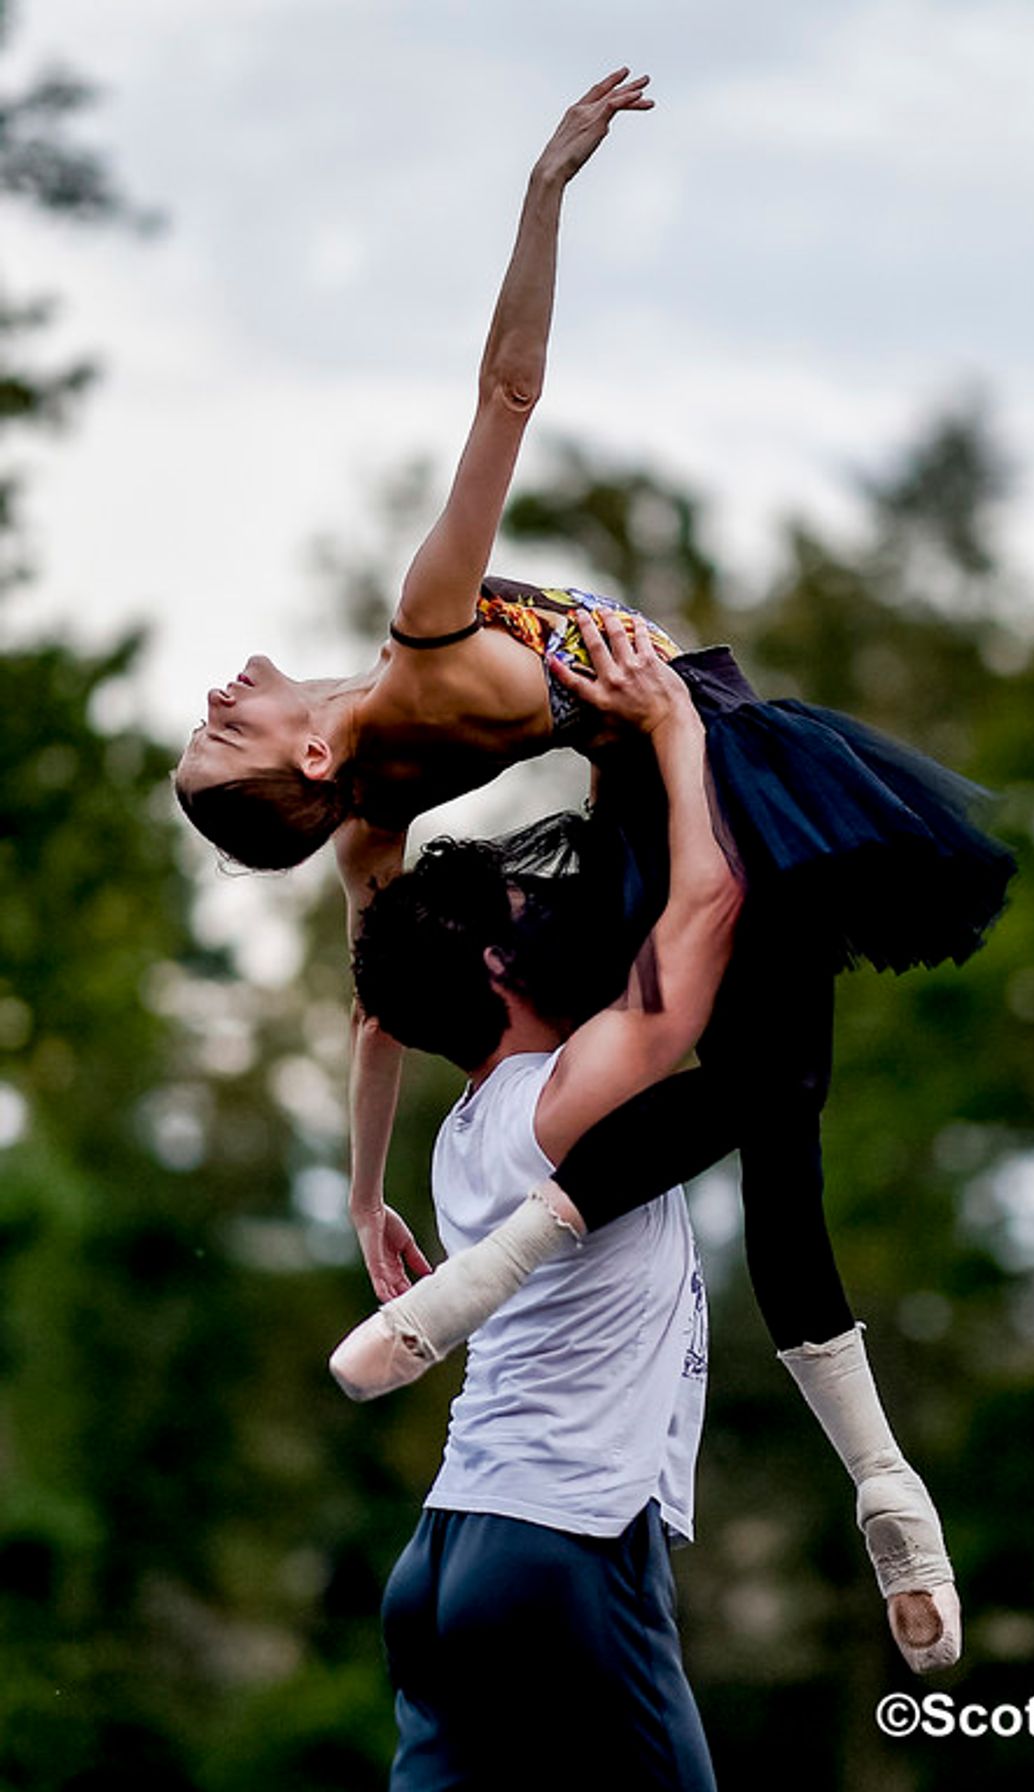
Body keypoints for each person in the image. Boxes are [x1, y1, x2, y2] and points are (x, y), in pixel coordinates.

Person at [175, 69, 1005, 1669]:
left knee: (764, 1106)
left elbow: (375, 1008)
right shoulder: (422, 645)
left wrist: (362, 1191)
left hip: (668, 801)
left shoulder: (375, 814)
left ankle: (838, 1459)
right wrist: (546, 189)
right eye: (223, 737)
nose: (219, 698)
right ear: (312, 763)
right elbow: (507, 395)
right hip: (698, 766)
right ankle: (883, 1480)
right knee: (772, 1113)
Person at [364, 627, 732, 1789]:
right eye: (524, 908)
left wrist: (607, 761)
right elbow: (706, 907)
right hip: (562, 1544)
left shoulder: (464, 1132)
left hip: (440, 1555)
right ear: (494, 966)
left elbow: (386, 1003)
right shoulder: (558, 1102)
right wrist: (672, 723)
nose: (552, 911)